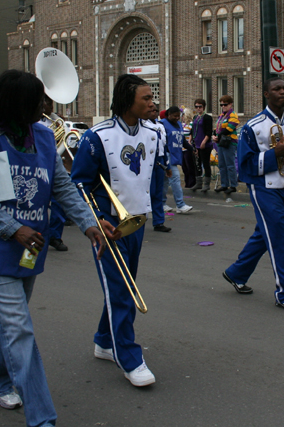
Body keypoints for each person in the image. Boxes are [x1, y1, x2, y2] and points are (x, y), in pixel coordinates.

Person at [0, 70, 109, 426]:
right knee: (19, 328)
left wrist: (89, 223)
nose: (45, 107)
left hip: (31, 244)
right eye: (38, 101)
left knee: (12, 319)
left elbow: (63, 187)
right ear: (16, 102)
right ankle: (42, 419)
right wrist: (13, 228)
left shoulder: (41, 134)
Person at [71, 73, 162, 387]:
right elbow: (79, 183)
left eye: (152, 98)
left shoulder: (153, 133)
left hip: (137, 222)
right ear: (128, 102)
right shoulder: (96, 136)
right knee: (123, 291)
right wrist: (96, 219)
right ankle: (130, 358)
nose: (153, 103)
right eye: (146, 99)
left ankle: (104, 341)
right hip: (108, 227)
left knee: (122, 285)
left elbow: (152, 177)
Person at [223, 78, 284, 313]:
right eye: (276, 89)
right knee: (280, 236)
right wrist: (275, 155)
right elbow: (245, 166)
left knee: (265, 234)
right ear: (266, 94)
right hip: (263, 187)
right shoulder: (253, 126)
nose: (282, 92)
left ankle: (236, 273)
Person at [39, 96, 70, 252]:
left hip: (55, 167)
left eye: (50, 103)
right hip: (38, 168)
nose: (48, 106)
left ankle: (55, 236)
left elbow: (65, 142)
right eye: (45, 102)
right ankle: (38, 235)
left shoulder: (58, 122)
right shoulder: (31, 123)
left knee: (59, 204)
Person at [162, 106, 194, 214]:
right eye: (174, 116)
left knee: (165, 181)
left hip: (175, 154)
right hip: (167, 154)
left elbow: (182, 140)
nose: (177, 118)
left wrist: (191, 148)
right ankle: (180, 204)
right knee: (175, 178)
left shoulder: (179, 124)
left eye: (178, 116)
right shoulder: (162, 124)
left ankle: (161, 203)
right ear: (168, 115)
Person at [146, 103, 172, 232]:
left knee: (158, 192)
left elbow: (164, 145)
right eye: (151, 110)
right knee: (147, 192)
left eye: (156, 111)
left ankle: (159, 222)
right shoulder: (143, 125)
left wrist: (167, 165)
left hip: (160, 160)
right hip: (148, 160)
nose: (154, 113)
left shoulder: (160, 126)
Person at [213, 95, 240, 196]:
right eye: (221, 104)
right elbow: (217, 128)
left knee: (230, 164)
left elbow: (230, 128)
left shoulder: (233, 115)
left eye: (225, 104)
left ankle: (233, 185)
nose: (223, 106)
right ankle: (224, 184)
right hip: (221, 142)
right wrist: (214, 135)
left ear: (230, 104)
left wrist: (218, 136)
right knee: (221, 164)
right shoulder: (221, 116)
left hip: (229, 142)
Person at [191, 99, 213, 192]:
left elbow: (209, 131)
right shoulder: (195, 117)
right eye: (196, 107)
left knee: (205, 163)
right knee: (197, 163)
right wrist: (190, 139)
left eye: (200, 106)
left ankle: (207, 184)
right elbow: (193, 129)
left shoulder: (207, 117)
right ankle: (198, 182)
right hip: (196, 143)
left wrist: (204, 142)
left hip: (204, 144)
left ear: (203, 107)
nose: (198, 108)